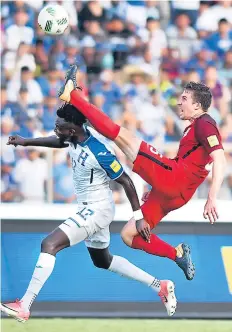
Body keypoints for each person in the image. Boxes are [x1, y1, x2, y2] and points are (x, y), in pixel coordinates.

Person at [0, 104, 177, 322]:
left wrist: (139, 218)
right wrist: (26, 142)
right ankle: (160, 285)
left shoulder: (99, 151)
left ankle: (24, 306)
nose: (56, 130)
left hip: (97, 209)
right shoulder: (73, 136)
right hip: (90, 207)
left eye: (59, 127)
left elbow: (127, 182)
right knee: (103, 261)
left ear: (72, 130)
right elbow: (59, 141)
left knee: (49, 244)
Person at [58, 65, 226, 278]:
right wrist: (159, 186)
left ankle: (73, 95)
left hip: (174, 179)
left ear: (197, 104)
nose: (178, 102)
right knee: (128, 235)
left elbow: (220, 159)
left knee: (119, 134)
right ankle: (177, 254)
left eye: (184, 98)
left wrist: (212, 197)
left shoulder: (205, 123)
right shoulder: (194, 126)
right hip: (176, 192)